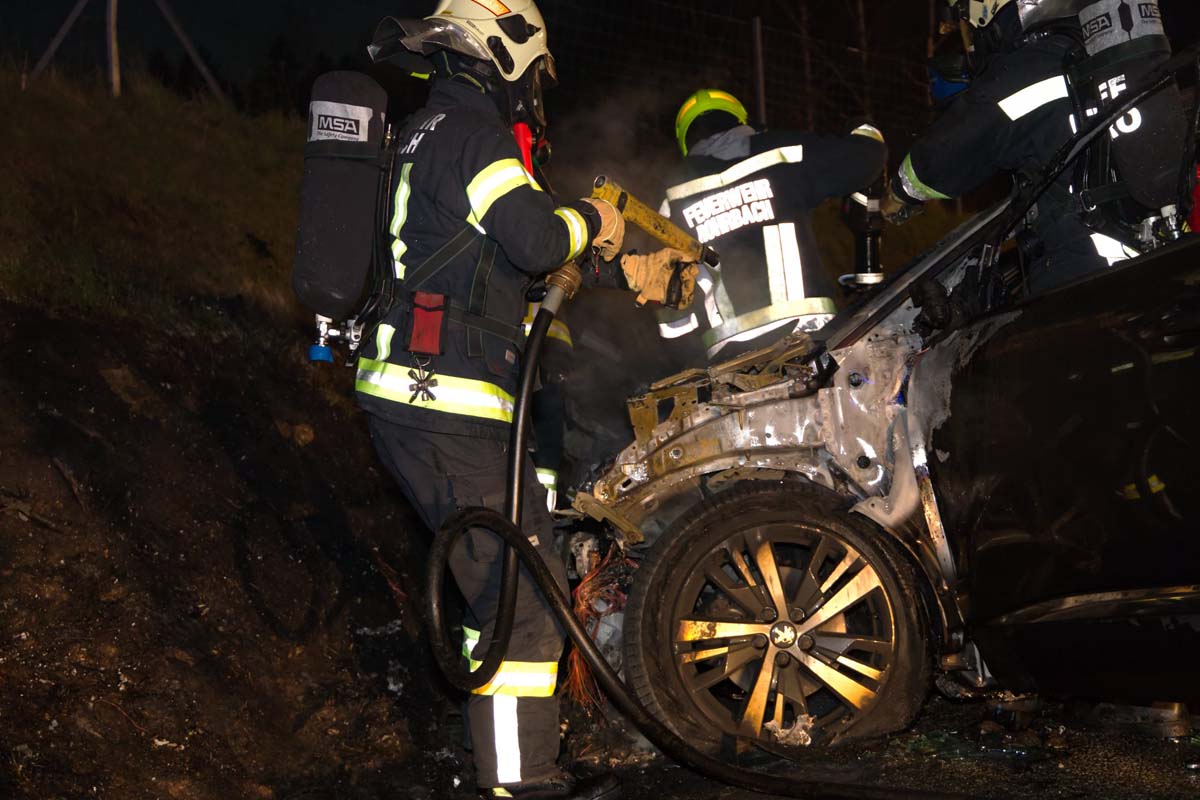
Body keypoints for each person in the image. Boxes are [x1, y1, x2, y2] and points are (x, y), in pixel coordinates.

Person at [359, 2, 693, 798]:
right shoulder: (476, 136)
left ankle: (513, 761)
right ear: (506, 52)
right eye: (535, 72)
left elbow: (501, 260)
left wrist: (625, 270)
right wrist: (594, 217)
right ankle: (519, 782)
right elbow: (539, 239)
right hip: (445, 403)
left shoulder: (430, 130)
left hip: (419, 396)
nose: (535, 91)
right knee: (521, 599)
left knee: (505, 587)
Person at [884, 0, 1190, 293]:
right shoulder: (1091, 57)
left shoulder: (1037, 64)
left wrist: (900, 191)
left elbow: (957, 142)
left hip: (1087, 268)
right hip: (1153, 255)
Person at [655, 89, 888, 361]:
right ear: (740, 121)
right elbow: (865, 159)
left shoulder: (671, 203)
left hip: (729, 360)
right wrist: (862, 127)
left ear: (686, 142)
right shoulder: (781, 153)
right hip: (808, 337)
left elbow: (675, 325)